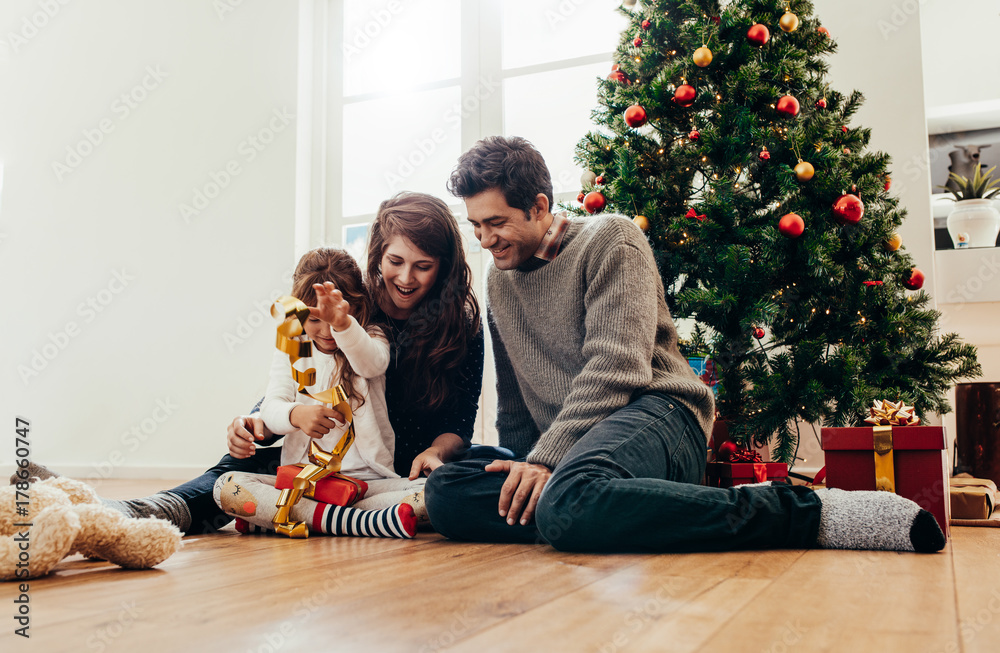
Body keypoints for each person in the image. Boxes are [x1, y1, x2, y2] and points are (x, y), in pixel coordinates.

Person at [423, 135, 946, 554]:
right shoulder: (499, 279)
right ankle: (601, 511)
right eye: (476, 226)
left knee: (570, 498)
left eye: (496, 223)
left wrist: (546, 463)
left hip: (658, 413)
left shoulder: (611, 239)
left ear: (538, 207)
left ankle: (804, 513)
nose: (486, 241)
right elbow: (514, 395)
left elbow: (616, 368)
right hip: (575, 450)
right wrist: (522, 465)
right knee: (447, 496)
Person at [18, 193, 486, 536]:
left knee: (479, 468)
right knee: (243, 463)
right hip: (311, 445)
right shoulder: (351, 305)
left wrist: (438, 451)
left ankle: (179, 511)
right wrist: (255, 420)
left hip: (388, 468)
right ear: (377, 257)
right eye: (395, 262)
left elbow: (458, 422)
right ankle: (137, 510)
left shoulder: (453, 328)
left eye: (423, 266)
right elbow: (297, 372)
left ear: (443, 268)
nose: (405, 278)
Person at [212, 247, 422, 538]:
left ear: (355, 308)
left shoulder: (369, 335)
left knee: (427, 493)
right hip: (304, 483)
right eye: (314, 320)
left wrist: (343, 324)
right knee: (227, 486)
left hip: (365, 483)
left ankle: (289, 518)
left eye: (332, 319)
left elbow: (373, 364)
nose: (325, 331)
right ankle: (360, 524)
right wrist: (296, 414)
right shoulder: (293, 344)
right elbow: (272, 407)